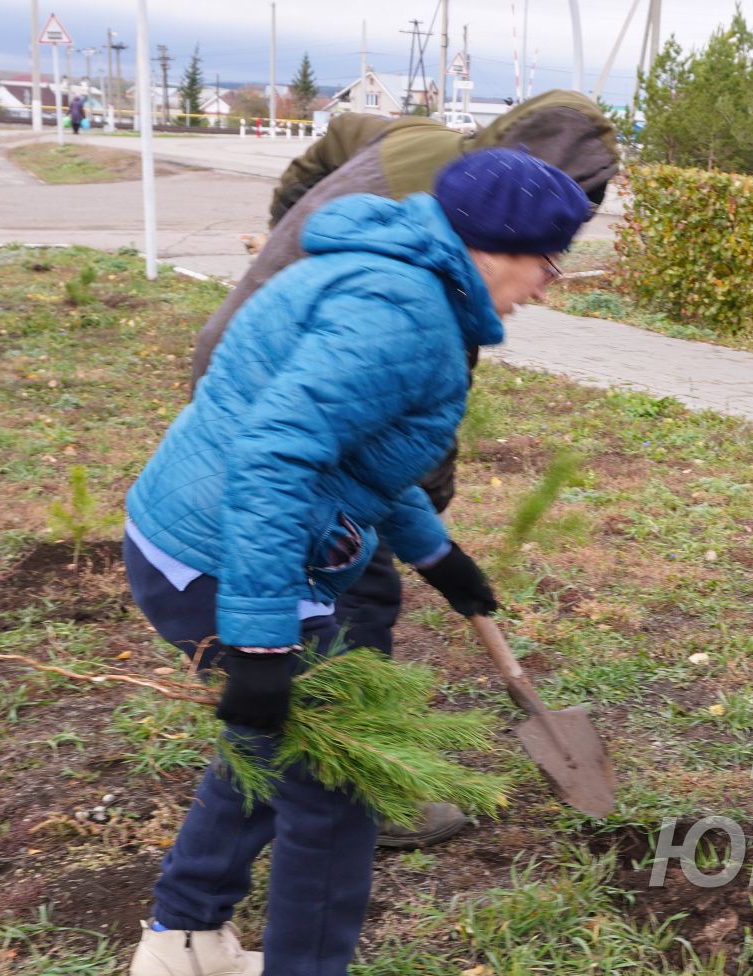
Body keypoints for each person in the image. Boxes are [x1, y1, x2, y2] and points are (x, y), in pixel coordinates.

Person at [120, 148, 592, 976]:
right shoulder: (406, 314)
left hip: (190, 538)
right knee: (339, 779)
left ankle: (184, 942)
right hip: (226, 558)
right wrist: (258, 643)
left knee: (273, 744)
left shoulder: (394, 274)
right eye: (547, 261)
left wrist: (436, 553)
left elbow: (353, 455)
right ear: (495, 246)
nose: (548, 285)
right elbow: (277, 458)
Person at [191, 89, 620, 849]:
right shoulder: (430, 275)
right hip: (285, 391)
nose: (551, 266)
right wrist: (421, 508)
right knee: (357, 586)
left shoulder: (412, 143)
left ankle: (311, 751)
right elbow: (413, 412)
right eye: (547, 242)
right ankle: (361, 779)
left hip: (258, 351)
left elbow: (328, 145)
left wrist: (289, 241)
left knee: (346, 565)